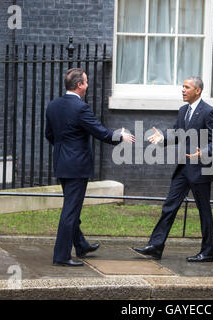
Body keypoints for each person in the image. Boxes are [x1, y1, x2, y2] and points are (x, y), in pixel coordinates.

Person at [46, 68, 135, 267]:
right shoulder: (81, 108)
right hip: (77, 167)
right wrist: (121, 137)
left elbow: (49, 135)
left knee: (72, 207)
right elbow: (100, 132)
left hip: (62, 163)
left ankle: (81, 245)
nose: (87, 86)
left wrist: (65, 151)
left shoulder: (53, 105)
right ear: (79, 86)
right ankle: (61, 256)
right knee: (70, 211)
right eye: (85, 83)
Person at [132, 77, 213, 262]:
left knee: (204, 210)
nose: (182, 90)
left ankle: (208, 252)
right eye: (182, 87)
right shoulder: (183, 111)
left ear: (197, 91)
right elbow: (177, 135)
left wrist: (203, 152)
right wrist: (162, 138)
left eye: (187, 87)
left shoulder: (208, 112)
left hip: (201, 169)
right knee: (169, 206)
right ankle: (156, 246)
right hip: (183, 169)